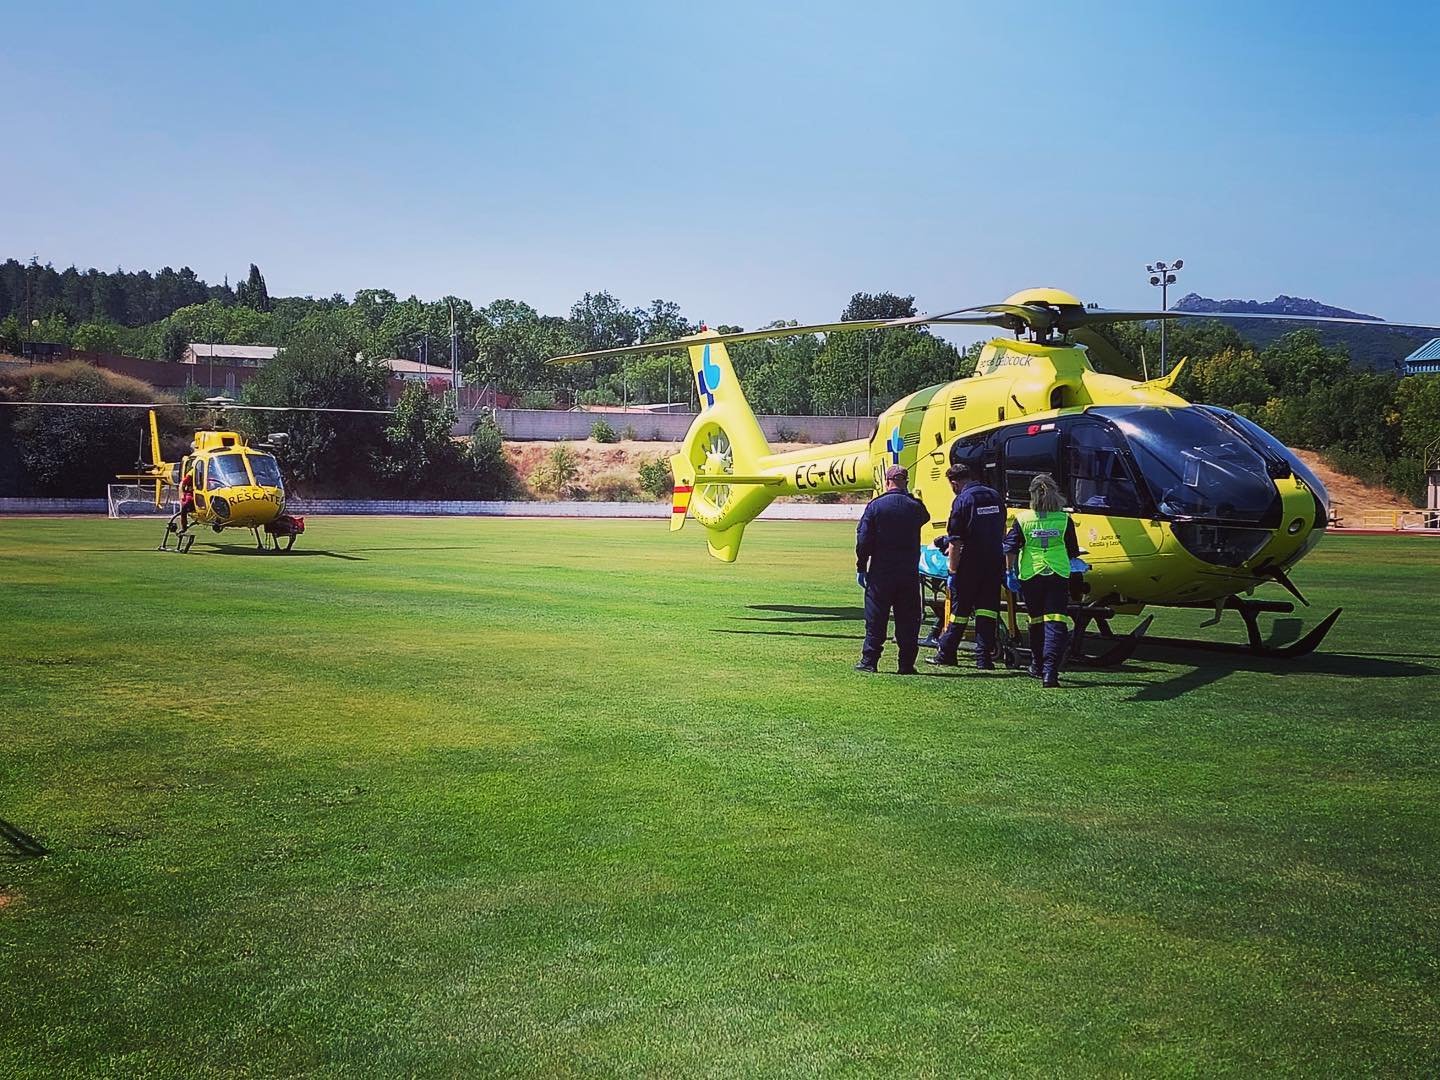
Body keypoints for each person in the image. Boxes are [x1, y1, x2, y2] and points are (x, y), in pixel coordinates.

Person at [1003, 472, 1080, 688]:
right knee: (1056, 621)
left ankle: (1037, 665)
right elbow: (1073, 550)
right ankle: (1050, 672)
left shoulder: (1023, 519)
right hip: (1057, 573)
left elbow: (1010, 548)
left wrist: (1009, 572)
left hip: (1032, 574)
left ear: (1032, 495)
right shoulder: (1064, 519)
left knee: (1036, 621)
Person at [927, 462, 1005, 669]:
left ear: (954, 483)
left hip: (970, 564)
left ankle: (947, 653)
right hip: (994, 562)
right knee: (987, 611)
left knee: (959, 612)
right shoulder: (994, 496)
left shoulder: (962, 500)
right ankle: (984, 658)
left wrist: (952, 571)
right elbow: (1001, 531)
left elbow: (955, 541)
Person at [855, 464, 931, 675]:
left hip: (881, 571)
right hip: (908, 571)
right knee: (908, 619)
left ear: (887, 482)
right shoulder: (915, 506)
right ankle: (906, 664)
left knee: (876, 617)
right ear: (906, 482)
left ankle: (870, 660)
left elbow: (863, 540)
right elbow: (925, 517)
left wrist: (861, 565)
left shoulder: (876, 506)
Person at [177, 468, 195, 533]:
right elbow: (182, 484)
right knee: (186, 504)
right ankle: (184, 526)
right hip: (192, 493)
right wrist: (182, 494)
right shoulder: (192, 473)